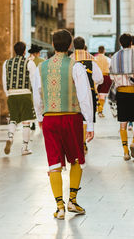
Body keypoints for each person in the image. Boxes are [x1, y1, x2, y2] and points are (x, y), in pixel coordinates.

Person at [33, 29, 94, 220]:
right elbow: (85, 97)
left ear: (52, 44)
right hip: (71, 117)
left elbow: (37, 96)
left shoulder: (41, 68)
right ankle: (72, 200)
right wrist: (90, 124)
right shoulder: (76, 66)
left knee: (54, 162)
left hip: (50, 118)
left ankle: (59, 206)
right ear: (70, 46)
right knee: (76, 158)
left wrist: (40, 118)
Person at [110, 33, 134, 161]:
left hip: (121, 93)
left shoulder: (115, 57)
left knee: (123, 123)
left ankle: (125, 151)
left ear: (120, 43)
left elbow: (111, 76)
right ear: (131, 43)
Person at [2, 41, 37, 156]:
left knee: (13, 119)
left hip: (12, 94)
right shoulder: (29, 62)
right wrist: (35, 96)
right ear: (24, 51)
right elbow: (34, 80)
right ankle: (25, 147)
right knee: (26, 122)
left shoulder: (6, 63)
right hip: (25, 94)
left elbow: (4, 80)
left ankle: (10, 137)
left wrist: (8, 93)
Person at [71, 37, 103, 154]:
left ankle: (77, 141)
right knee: (85, 117)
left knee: (75, 117)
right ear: (84, 45)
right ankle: (83, 142)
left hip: (73, 93)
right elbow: (99, 78)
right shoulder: (91, 59)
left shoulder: (70, 59)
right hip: (88, 92)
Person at [28, 44, 45, 130]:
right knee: (41, 103)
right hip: (41, 85)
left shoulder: (28, 61)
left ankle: (33, 122)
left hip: (29, 87)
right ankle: (41, 119)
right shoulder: (42, 61)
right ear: (38, 53)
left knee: (32, 104)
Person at [95, 46, 112, 118]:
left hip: (96, 78)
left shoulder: (94, 59)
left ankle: (98, 109)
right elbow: (111, 68)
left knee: (97, 94)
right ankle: (100, 110)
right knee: (102, 95)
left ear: (98, 51)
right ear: (104, 51)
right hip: (105, 77)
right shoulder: (108, 59)